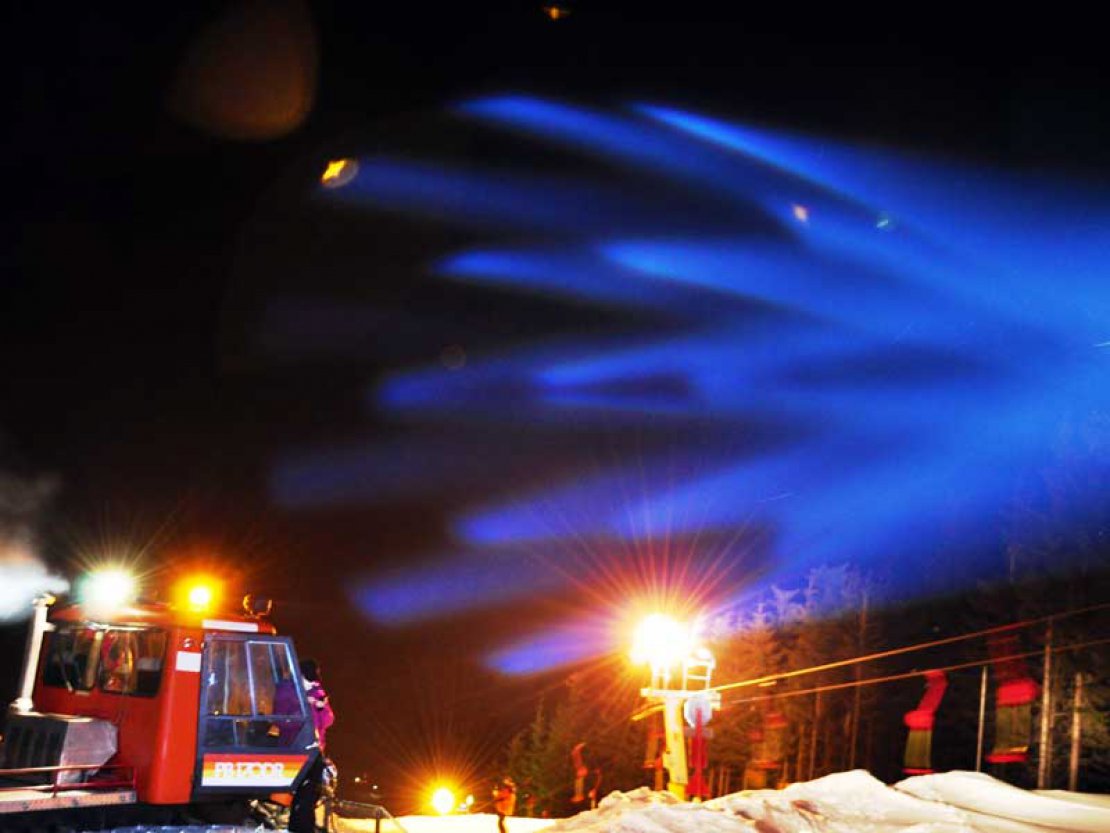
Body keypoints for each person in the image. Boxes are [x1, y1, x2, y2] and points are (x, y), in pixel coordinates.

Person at [289, 658, 336, 833]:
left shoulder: (318, 692)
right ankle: (300, 825)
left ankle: (304, 825)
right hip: (296, 746)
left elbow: (328, 720)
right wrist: (302, 705)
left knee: (311, 791)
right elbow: (285, 717)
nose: (311, 682)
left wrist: (321, 707)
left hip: (315, 748)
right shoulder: (291, 690)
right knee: (302, 790)